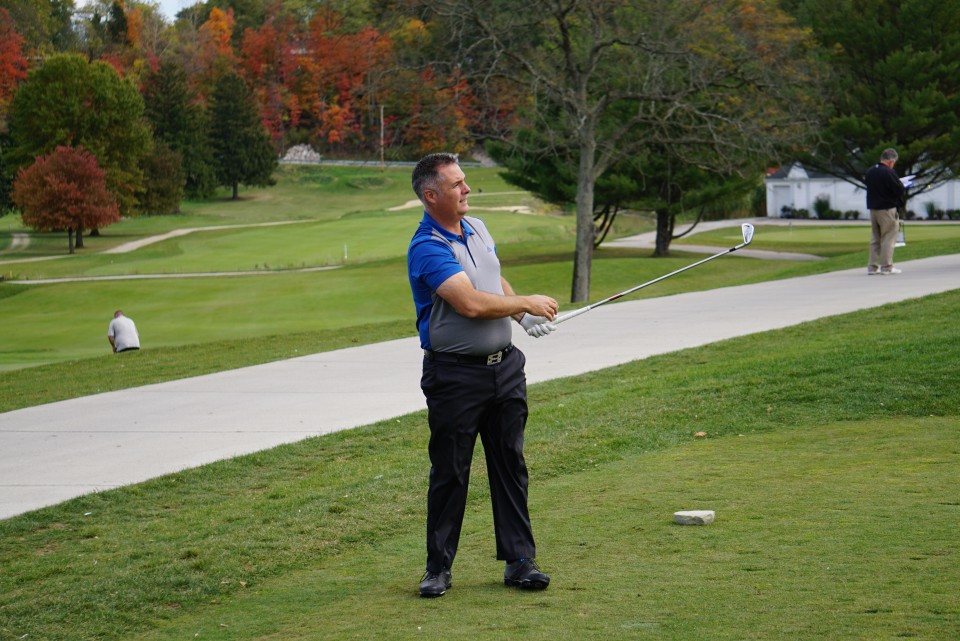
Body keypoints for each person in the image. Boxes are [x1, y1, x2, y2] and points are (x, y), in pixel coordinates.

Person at [407, 153, 559, 598]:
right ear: (431, 195)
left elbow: (493, 281)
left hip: (505, 368)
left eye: (465, 180)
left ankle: (520, 560)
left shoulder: (475, 227)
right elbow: (470, 303)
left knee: (510, 462)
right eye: (456, 184)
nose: (467, 189)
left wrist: (521, 316)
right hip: (455, 376)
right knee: (451, 470)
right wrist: (526, 302)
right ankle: (438, 567)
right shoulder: (427, 246)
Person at [864, 148, 907, 275]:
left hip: (873, 209)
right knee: (888, 237)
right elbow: (898, 190)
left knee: (875, 238)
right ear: (891, 161)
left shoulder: (870, 171)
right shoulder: (889, 172)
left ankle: (872, 267)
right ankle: (887, 266)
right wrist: (902, 185)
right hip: (887, 209)